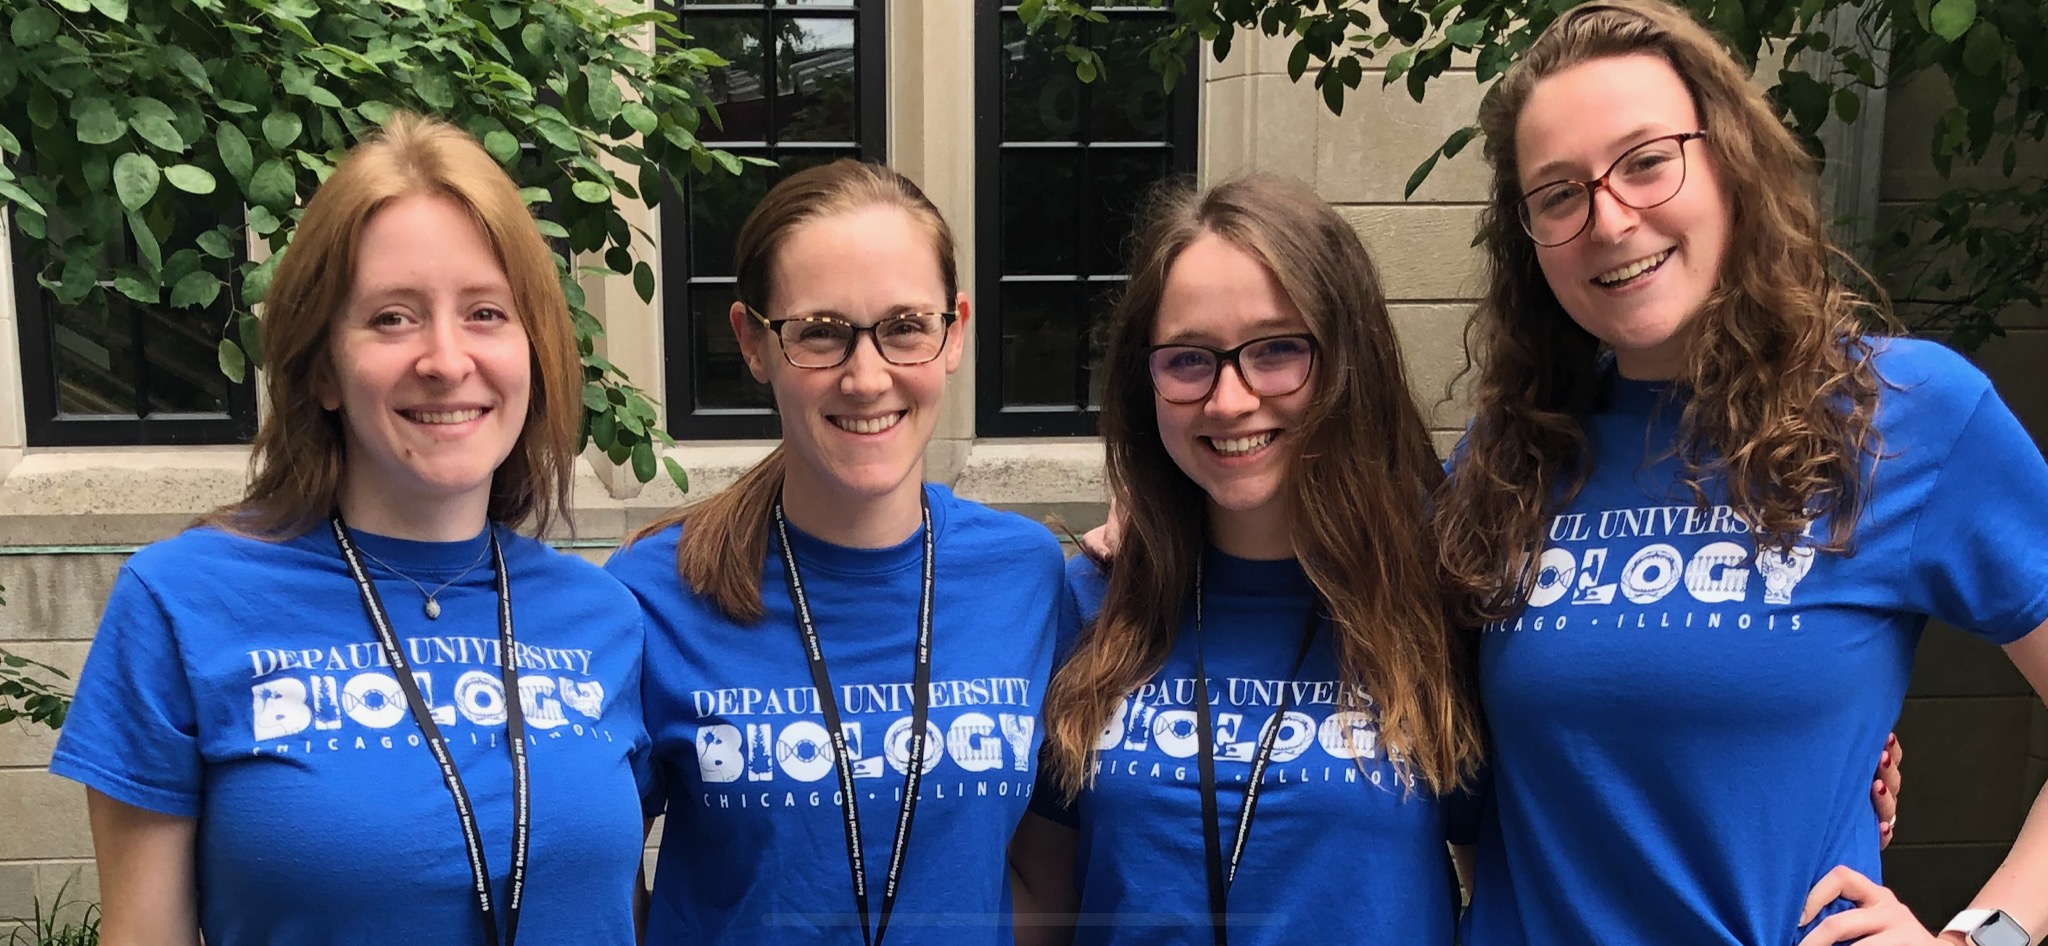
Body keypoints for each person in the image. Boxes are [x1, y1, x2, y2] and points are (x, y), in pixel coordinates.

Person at [1432, 2, 2048, 944]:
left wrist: (1985, 936)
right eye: (1558, 193)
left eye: (1646, 161)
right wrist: (1152, 533)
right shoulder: (1505, 461)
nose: (1609, 217)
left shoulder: (1909, 416)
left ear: (1730, 163)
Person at [48, 113, 654, 945]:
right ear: (324, 368)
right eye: (392, 318)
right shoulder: (181, 604)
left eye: (485, 312)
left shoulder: (604, 617)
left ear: (535, 350)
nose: (445, 359)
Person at [1008, 173, 1487, 946]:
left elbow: (1502, 882)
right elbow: (1039, 898)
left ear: (1345, 361)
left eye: (1275, 351)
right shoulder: (1090, 608)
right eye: (1188, 360)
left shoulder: (1434, 607)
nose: (1229, 401)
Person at [604, 159, 1068, 944]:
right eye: (819, 333)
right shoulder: (654, 594)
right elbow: (602, 880)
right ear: (753, 342)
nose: (866, 376)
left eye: (904, 327)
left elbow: (1050, 875)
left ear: (953, 331)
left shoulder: (1026, 575)